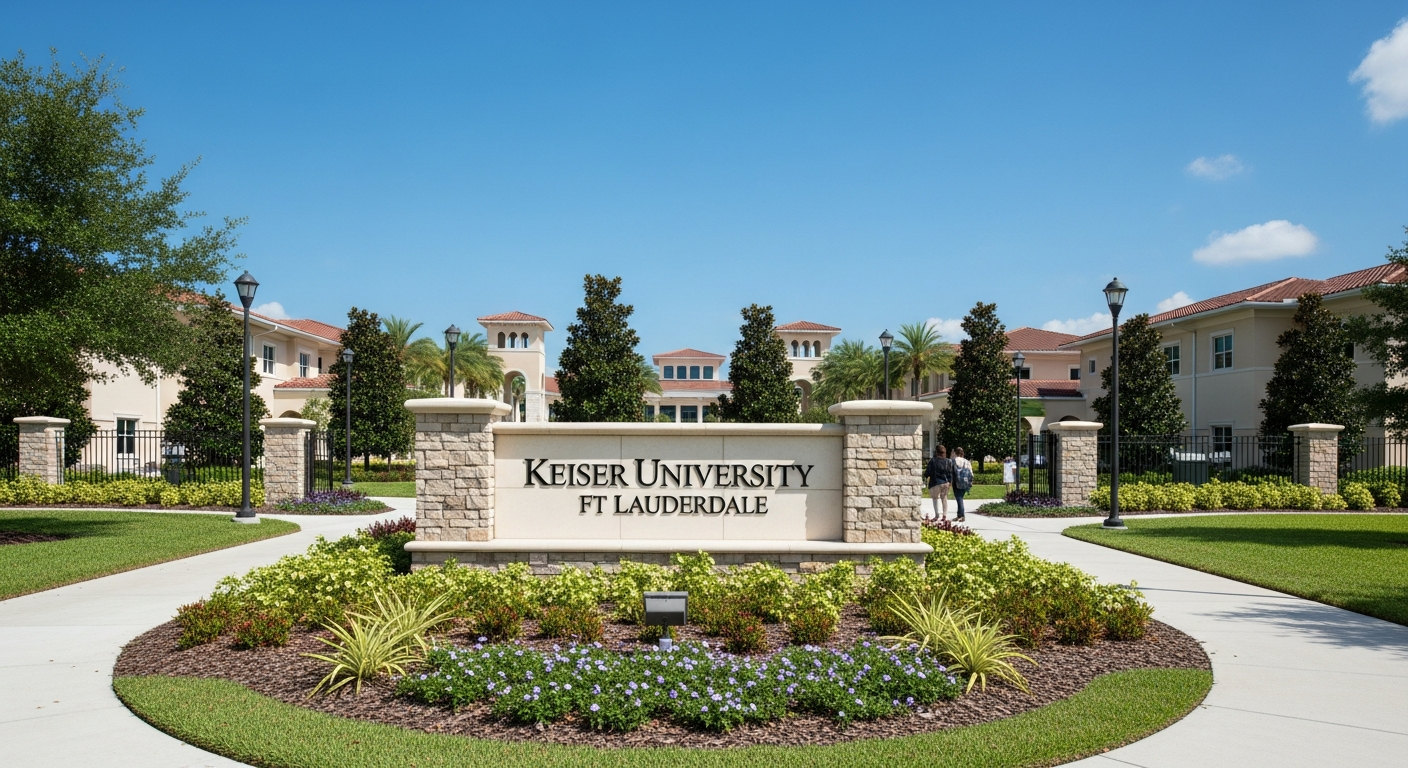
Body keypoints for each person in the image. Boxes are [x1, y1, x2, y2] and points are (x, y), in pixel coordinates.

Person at [922, 445, 954, 521]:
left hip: (935, 482)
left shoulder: (933, 461)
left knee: (935, 499)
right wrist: (950, 482)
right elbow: (950, 473)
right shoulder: (948, 461)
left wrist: (925, 476)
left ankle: (937, 515)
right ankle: (944, 515)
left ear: (936, 452)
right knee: (944, 498)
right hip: (945, 482)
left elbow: (928, 472)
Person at [951, 447, 973, 521]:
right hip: (965, 482)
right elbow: (971, 474)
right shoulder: (967, 462)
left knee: (959, 498)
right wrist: (970, 482)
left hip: (956, 482)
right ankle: (959, 515)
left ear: (956, 453)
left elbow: (951, 472)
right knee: (960, 498)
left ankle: (962, 515)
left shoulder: (953, 461)